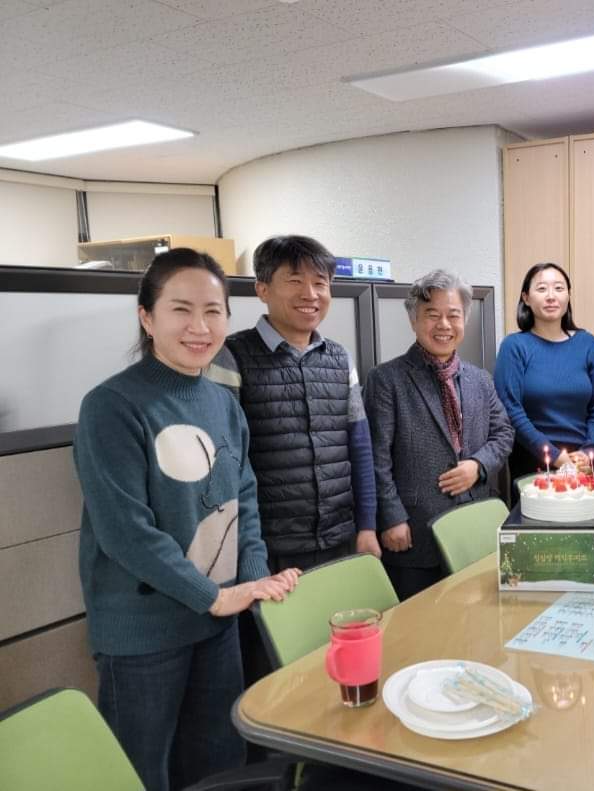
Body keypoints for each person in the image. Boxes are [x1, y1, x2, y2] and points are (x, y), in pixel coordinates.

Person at [73, 249, 298, 791]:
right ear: (147, 317)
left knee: (219, 760)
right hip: (144, 631)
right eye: (181, 309)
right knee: (142, 769)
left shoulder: (221, 402)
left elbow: (244, 498)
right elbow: (126, 533)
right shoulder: (111, 405)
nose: (200, 327)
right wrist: (214, 596)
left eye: (213, 311)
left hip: (216, 621)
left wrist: (254, 581)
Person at [209, 235, 379, 572]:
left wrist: (368, 525)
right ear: (262, 289)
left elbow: (359, 446)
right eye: (295, 281)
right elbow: (224, 460)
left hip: (340, 535)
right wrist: (244, 549)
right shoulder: (231, 357)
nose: (310, 294)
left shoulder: (340, 358)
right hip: (269, 546)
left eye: (320, 283)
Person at [364, 270, 514, 599]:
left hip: (473, 529)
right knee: (417, 623)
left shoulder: (479, 379)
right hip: (414, 531)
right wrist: (391, 518)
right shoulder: (386, 380)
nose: (444, 325)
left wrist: (478, 465)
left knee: (474, 618)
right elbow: (376, 457)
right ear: (413, 320)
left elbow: (503, 434)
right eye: (432, 315)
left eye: (453, 315)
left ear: (465, 320)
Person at [495, 262, 594, 491]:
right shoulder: (514, 346)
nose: (551, 296)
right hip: (534, 460)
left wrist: (589, 450)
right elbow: (510, 408)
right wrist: (556, 456)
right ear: (526, 298)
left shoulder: (587, 343)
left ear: (568, 296)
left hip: (583, 461)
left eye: (559, 288)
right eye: (541, 289)